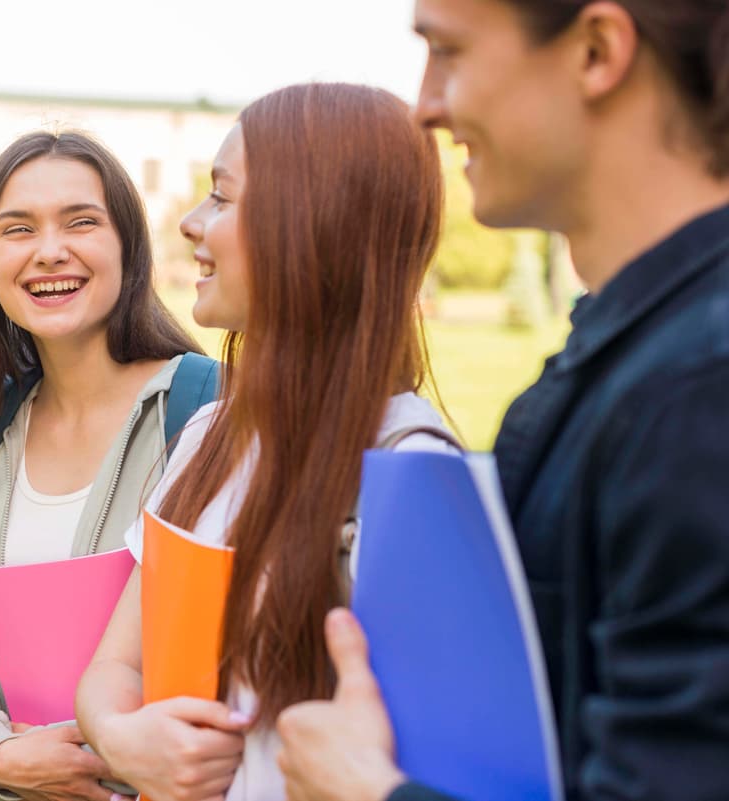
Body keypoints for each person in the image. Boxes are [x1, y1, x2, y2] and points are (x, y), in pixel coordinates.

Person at [275, 2, 729, 801]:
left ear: (596, 51)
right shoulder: (639, 350)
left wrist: (365, 789)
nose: (425, 105)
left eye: (448, 52)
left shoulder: (695, 392)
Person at [74, 82, 458, 801]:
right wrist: (123, 738)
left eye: (222, 197)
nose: (190, 222)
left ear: (312, 225)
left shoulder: (412, 476)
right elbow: (114, 668)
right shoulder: (208, 434)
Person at [0, 131, 214, 801]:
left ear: (128, 247)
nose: (49, 250)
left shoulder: (204, 411)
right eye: (18, 229)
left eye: (81, 222)